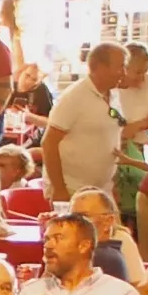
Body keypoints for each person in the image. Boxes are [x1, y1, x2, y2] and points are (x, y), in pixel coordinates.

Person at [46, 41, 128, 202]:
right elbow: (49, 143)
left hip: (103, 189)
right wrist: (59, 189)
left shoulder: (114, 95)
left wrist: (113, 183)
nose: (124, 73)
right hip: (73, 189)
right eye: (120, 67)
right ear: (101, 67)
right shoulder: (74, 97)